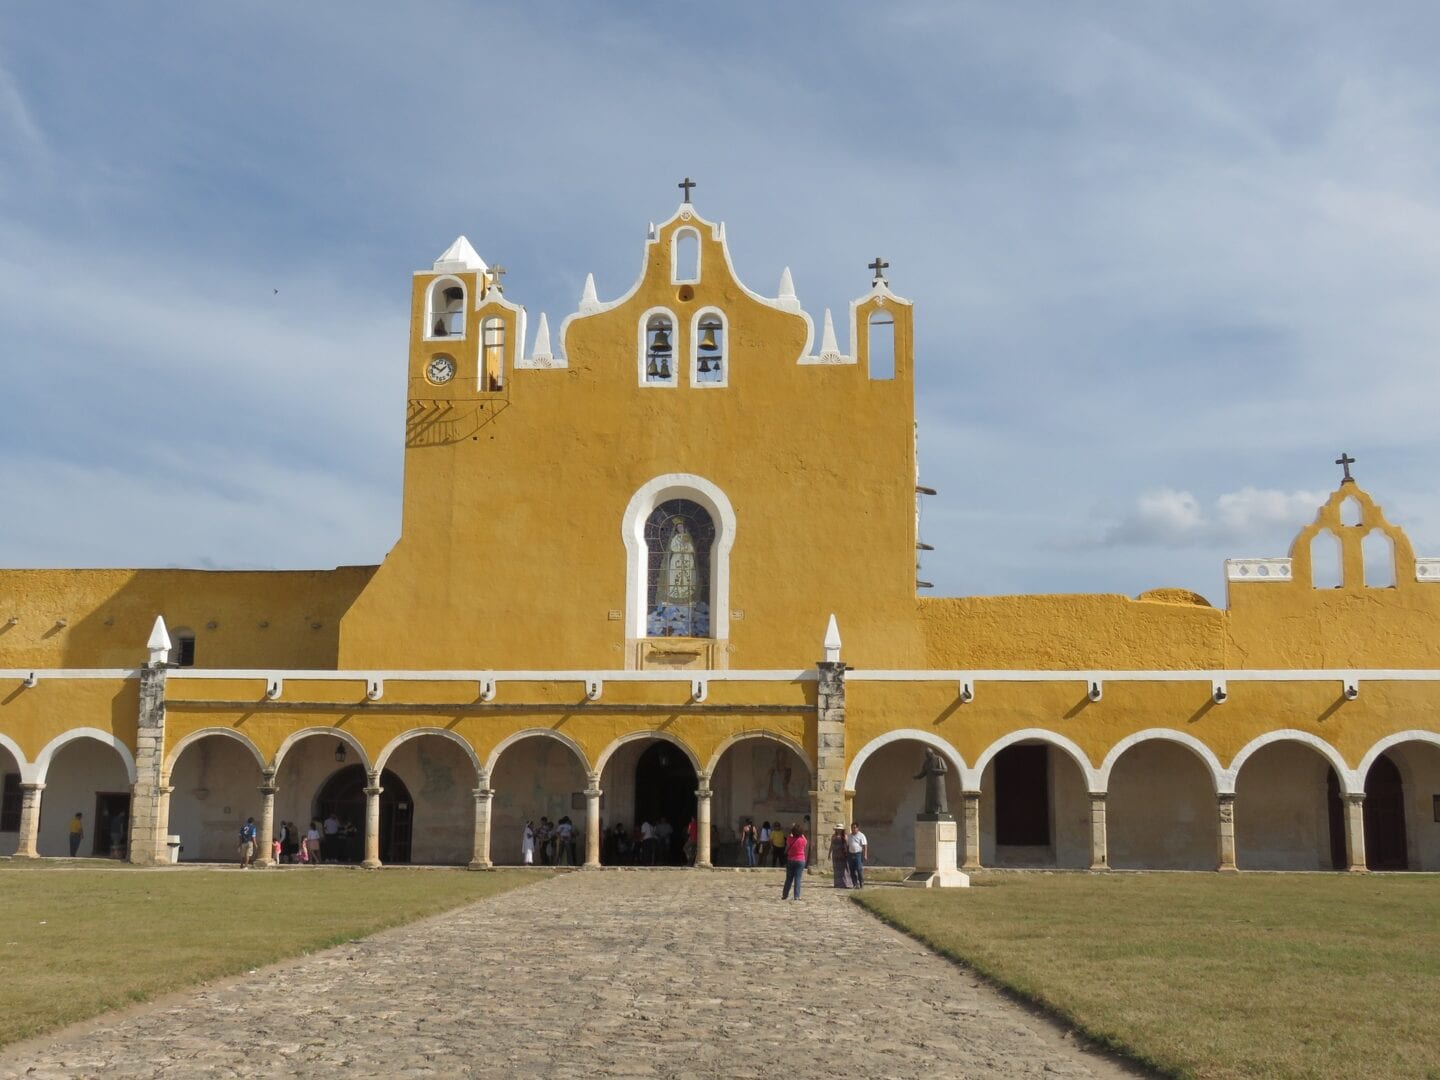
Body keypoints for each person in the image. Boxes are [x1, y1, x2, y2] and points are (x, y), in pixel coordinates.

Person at [781, 823, 807, 900]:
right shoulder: (802, 840)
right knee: (798, 879)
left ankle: (785, 895)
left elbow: (789, 836)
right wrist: (801, 833)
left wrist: (792, 829)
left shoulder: (789, 839)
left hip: (791, 860)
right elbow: (805, 841)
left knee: (788, 878)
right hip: (800, 860)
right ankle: (797, 896)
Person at [847, 822, 869, 889]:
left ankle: (861, 882)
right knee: (852, 869)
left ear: (857, 828)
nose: (853, 829)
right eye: (852, 828)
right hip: (851, 854)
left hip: (858, 854)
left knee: (859, 869)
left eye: (854, 827)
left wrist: (865, 854)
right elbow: (848, 845)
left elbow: (865, 845)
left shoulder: (861, 835)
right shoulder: (850, 836)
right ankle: (855, 883)